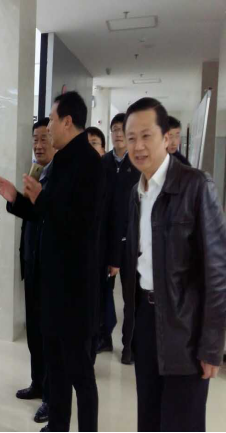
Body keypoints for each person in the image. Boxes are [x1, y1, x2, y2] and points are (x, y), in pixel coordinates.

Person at [0, 91, 104, 433]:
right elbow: (44, 214)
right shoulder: (61, 162)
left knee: (80, 372)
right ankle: (57, 425)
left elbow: (81, 226)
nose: (48, 127)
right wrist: (15, 197)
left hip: (75, 289)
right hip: (51, 284)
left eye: (52, 120)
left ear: (67, 121)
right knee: (55, 365)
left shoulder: (90, 165)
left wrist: (42, 200)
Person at [123, 97, 226, 432]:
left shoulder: (196, 185)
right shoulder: (135, 193)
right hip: (146, 322)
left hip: (186, 328)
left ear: (166, 138)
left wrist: (212, 346)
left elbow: (217, 272)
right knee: (149, 419)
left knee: (182, 423)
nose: (138, 146)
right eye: (131, 137)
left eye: (146, 136)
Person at [10, 117, 54, 425]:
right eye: (35, 139)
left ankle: (52, 396)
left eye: (44, 139)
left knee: (49, 336)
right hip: (32, 264)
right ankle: (38, 383)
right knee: (34, 332)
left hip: (50, 270)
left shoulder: (59, 177)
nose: (38, 145)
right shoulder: (36, 171)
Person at [99, 114, 141, 364]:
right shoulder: (103, 163)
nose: (117, 134)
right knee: (103, 294)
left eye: (121, 129)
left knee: (130, 298)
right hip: (105, 241)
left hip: (130, 242)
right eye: (114, 129)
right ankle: (104, 337)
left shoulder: (137, 164)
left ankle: (129, 346)